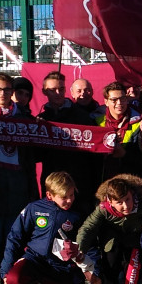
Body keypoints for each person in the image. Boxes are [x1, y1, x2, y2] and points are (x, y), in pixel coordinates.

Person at [1, 171, 89, 284]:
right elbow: (15, 237)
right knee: (13, 278)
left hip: (58, 267)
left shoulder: (78, 213)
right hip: (34, 259)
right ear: (49, 195)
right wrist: (5, 269)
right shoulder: (34, 208)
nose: (69, 200)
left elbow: (87, 242)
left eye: (71, 195)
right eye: (64, 197)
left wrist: (87, 264)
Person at [0, 72, 39, 284]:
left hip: (18, 192)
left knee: (15, 243)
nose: (2, 93)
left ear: (12, 93)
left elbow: (32, 160)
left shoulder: (25, 120)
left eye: (6, 90)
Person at [76, 174, 142, 284]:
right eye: (119, 202)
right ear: (110, 201)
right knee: (109, 270)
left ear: (132, 194)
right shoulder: (103, 209)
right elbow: (87, 229)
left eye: (127, 199)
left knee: (133, 272)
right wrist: (79, 250)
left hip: (134, 240)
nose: (125, 205)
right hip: (112, 241)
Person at [37, 71, 97, 215]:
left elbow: (93, 148)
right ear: (44, 91)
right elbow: (36, 155)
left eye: (61, 89)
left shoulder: (81, 116)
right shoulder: (41, 118)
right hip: (52, 180)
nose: (58, 93)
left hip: (78, 182)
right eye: (52, 90)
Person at [92, 81, 142, 181]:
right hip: (101, 179)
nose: (119, 103)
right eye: (114, 100)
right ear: (106, 102)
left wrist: (124, 154)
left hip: (129, 180)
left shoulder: (138, 122)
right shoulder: (95, 121)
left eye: (122, 99)